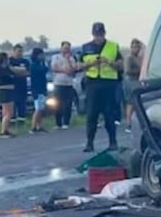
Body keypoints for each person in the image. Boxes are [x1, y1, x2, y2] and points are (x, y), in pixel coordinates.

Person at [78, 22, 122, 152]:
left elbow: (121, 65)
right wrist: (92, 63)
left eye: (101, 34)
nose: (99, 37)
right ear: (93, 34)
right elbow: (79, 66)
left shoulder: (113, 46)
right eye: (97, 34)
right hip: (92, 83)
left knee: (109, 114)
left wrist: (109, 62)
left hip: (108, 83)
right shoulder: (86, 47)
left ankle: (113, 142)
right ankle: (89, 143)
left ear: (104, 33)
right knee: (92, 114)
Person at [51, 41, 78, 129]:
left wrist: (67, 60)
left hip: (69, 84)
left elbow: (72, 69)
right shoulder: (56, 57)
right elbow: (54, 68)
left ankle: (66, 123)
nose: (66, 50)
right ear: (61, 48)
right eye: (65, 48)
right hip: (59, 83)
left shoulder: (72, 58)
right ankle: (58, 123)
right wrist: (64, 70)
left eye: (68, 48)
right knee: (57, 104)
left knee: (68, 104)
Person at [122, 38, 145, 133]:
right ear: (131, 47)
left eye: (138, 47)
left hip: (136, 81)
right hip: (130, 81)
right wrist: (139, 72)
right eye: (135, 47)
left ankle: (135, 122)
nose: (136, 49)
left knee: (135, 102)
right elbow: (127, 70)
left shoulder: (138, 58)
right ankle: (128, 123)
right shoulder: (129, 57)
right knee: (130, 103)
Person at [0, 52, 16, 138]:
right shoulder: (0, 70)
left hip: (8, 91)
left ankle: (6, 129)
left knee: (6, 112)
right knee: (8, 113)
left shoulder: (6, 69)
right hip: (5, 91)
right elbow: (10, 76)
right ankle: (3, 131)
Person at [28, 48, 49, 133]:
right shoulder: (33, 65)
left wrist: (44, 62)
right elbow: (43, 70)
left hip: (42, 88)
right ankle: (33, 126)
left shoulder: (40, 64)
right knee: (38, 108)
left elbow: (46, 70)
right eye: (41, 55)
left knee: (41, 108)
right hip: (37, 89)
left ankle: (39, 126)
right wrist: (44, 63)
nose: (43, 56)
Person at [8, 44, 30, 122]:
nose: (20, 53)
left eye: (21, 51)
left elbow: (27, 72)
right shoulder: (9, 61)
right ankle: (12, 122)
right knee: (12, 105)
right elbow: (9, 71)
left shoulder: (25, 61)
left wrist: (15, 71)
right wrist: (20, 71)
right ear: (14, 51)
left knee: (22, 105)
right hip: (12, 87)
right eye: (18, 51)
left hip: (23, 87)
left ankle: (22, 121)